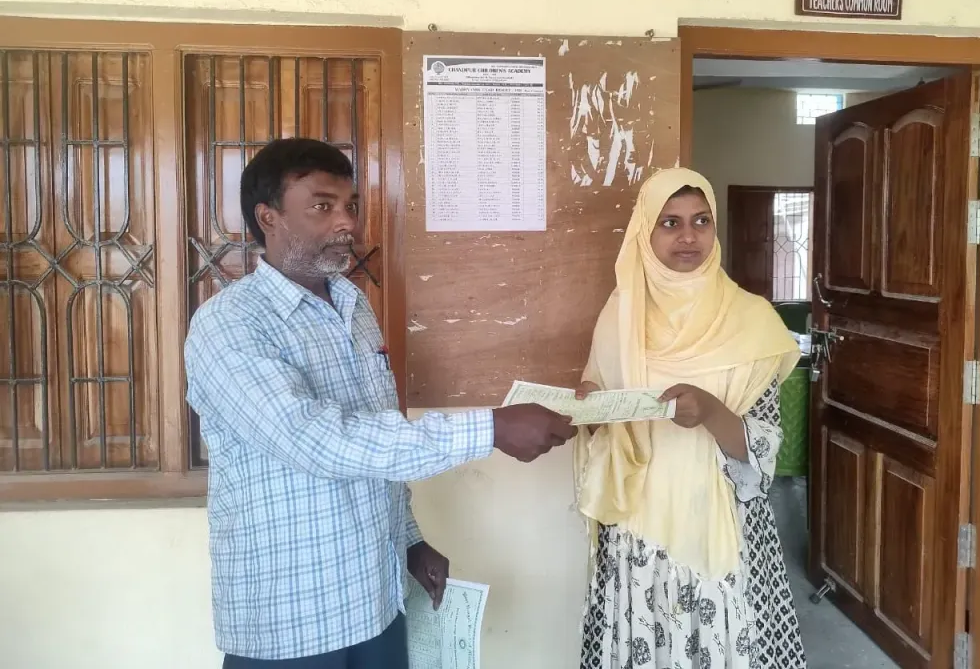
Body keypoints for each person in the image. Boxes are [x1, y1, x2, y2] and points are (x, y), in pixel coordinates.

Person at [184, 138, 575, 669]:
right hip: (293, 617)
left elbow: (377, 433)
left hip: (377, 598)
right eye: (322, 206)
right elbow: (318, 441)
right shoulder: (229, 324)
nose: (346, 222)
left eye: (350, 205)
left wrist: (409, 540)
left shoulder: (353, 306)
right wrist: (490, 429)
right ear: (267, 217)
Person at [574, 167, 806, 669]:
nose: (688, 236)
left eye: (701, 220)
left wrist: (711, 411)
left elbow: (764, 449)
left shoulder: (752, 319)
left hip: (720, 529)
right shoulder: (620, 316)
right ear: (645, 231)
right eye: (670, 222)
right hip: (637, 531)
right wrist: (590, 408)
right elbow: (600, 422)